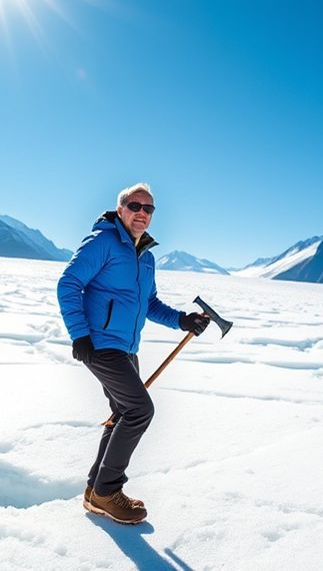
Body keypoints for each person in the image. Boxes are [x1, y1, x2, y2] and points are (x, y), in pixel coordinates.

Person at [57, 182, 209, 524]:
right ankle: (108, 491)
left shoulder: (147, 256)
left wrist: (182, 320)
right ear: (120, 208)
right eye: (135, 206)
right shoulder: (104, 242)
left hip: (127, 349)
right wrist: (80, 335)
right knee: (140, 410)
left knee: (123, 412)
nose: (142, 213)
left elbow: (149, 304)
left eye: (148, 209)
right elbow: (68, 284)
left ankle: (96, 489)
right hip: (100, 345)